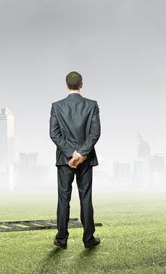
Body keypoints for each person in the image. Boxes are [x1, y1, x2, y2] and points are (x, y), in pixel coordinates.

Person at [49, 70, 101, 250]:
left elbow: (54, 134)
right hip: (85, 159)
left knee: (64, 198)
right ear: (82, 84)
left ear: (66, 85)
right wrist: (81, 154)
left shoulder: (57, 106)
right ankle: (89, 239)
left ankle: (61, 239)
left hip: (65, 159)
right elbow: (95, 133)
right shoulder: (92, 105)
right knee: (86, 198)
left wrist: (71, 153)